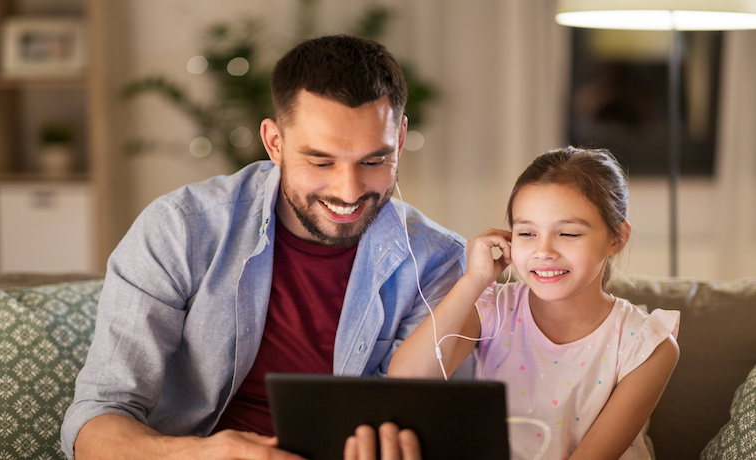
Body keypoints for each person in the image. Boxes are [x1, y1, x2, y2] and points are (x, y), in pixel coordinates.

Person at [61, 34, 465, 459]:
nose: (349, 192)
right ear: (275, 143)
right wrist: (196, 454)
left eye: (373, 160)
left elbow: (430, 422)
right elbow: (96, 418)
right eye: (321, 161)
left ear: (399, 141)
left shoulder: (438, 264)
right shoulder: (180, 229)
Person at [389, 146, 680, 459]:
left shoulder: (648, 344)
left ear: (616, 239)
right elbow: (407, 381)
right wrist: (473, 280)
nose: (544, 251)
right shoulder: (493, 308)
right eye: (527, 233)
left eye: (568, 234)